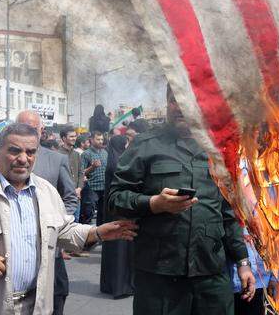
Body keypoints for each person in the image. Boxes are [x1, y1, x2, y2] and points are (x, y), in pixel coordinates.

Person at [107, 84, 255, 315]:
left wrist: (243, 263)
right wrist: (154, 204)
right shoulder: (145, 145)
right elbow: (115, 199)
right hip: (159, 279)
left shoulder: (219, 150)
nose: (180, 106)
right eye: (174, 100)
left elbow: (229, 213)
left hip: (210, 277)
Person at [0, 123, 138, 315]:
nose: (23, 159)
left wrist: (96, 232)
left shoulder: (46, 191)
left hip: (37, 305)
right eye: (14, 151)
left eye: (30, 152)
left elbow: (63, 230)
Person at [16, 110, 78, 314]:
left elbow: (70, 198)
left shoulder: (56, 159)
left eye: (33, 127)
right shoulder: (3, 158)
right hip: (13, 251)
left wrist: (59, 229)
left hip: (49, 250)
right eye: (23, 126)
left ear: (42, 131)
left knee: (55, 299)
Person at [100, 135, 134, 298]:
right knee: (121, 248)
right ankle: (121, 286)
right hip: (121, 210)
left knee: (111, 248)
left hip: (110, 211)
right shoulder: (121, 163)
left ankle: (109, 284)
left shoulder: (111, 161)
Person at [80, 131, 108, 225]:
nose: (100, 141)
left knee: (102, 214)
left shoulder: (105, 153)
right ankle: (87, 236)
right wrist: (92, 167)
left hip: (104, 188)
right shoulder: (86, 154)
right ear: (91, 140)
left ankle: (100, 236)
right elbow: (81, 173)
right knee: (88, 213)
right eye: (98, 139)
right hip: (92, 188)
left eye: (102, 139)